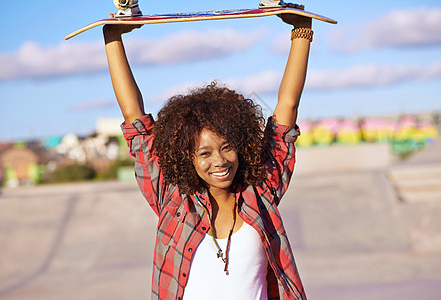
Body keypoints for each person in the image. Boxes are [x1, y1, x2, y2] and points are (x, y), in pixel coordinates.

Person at [103, 11, 312, 300]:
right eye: (205, 153)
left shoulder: (261, 191)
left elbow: (287, 108)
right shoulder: (174, 199)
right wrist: (112, 36)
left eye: (227, 147)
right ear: (186, 157)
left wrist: (302, 32)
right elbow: (134, 118)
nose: (220, 161)